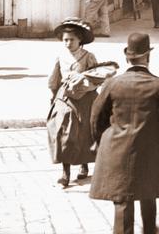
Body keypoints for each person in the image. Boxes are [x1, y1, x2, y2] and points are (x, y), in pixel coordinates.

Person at [90, 31, 159, 234]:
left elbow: (96, 116)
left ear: (127, 58)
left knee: (122, 200)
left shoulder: (112, 84)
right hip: (148, 151)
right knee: (148, 192)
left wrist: (100, 141)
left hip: (116, 150)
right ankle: (149, 230)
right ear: (148, 57)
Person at [48, 18, 113, 189]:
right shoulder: (60, 57)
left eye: (71, 40)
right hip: (65, 99)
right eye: (65, 40)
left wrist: (84, 80)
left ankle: (84, 163)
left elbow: (98, 77)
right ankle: (65, 173)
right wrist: (53, 96)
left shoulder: (88, 57)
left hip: (85, 99)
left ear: (79, 40)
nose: (68, 43)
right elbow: (54, 79)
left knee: (85, 133)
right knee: (64, 133)